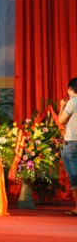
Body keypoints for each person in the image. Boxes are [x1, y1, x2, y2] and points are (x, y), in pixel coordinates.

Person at [58, 77, 77, 216]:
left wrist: (61, 106)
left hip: (72, 142)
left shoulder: (73, 101)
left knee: (74, 175)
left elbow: (61, 120)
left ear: (71, 88)